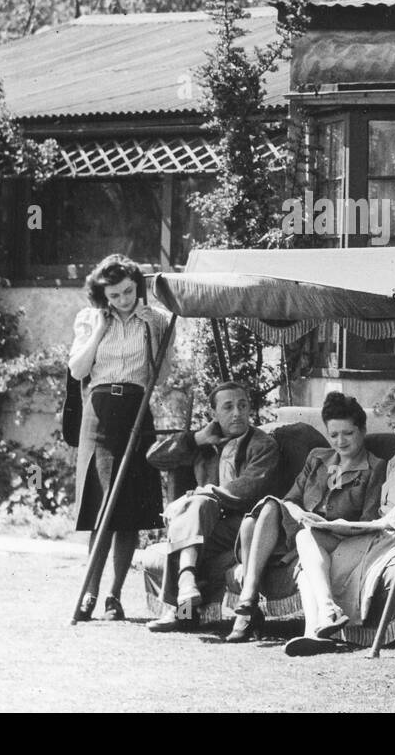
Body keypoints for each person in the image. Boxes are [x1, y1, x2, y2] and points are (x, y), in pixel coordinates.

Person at [285, 387, 395, 656]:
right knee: (304, 537)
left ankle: (315, 627)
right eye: (394, 425)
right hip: (381, 530)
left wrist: (361, 527)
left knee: (310, 559)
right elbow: (384, 508)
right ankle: (322, 619)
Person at [226, 392, 387, 643]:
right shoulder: (317, 457)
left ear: (362, 431)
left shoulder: (375, 467)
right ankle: (248, 599)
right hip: (299, 528)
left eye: (348, 433)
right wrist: (299, 513)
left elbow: (368, 520)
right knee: (267, 508)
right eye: (333, 434)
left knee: (260, 524)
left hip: (337, 536)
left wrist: (332, 525)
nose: (340, 442)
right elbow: (291, 498)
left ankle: (253, 613)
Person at [68, 256, 173, 621]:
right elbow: (78, 369)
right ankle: (89, 593)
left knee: (127, 510)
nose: (124, 299)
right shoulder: (89, 318)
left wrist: (155, 332)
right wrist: (99, 328)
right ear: (103, 294)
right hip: (99, 414)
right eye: (115, 294)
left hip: (136, 409)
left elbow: (163, 373)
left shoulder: (156, 321)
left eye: (129, 291)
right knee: (101, 507)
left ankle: (113, 596)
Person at [147, 381, 281, 633]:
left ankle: (181, 607)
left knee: (193, 511)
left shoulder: (263, 445)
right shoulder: (208, 443)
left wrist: (199, 495)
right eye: (228, 407)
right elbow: (154, 457)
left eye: (243, 406)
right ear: (214, 414)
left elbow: (247, 488)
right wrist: (197, 439)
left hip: (245, 525)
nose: (237, 413)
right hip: (205, 525)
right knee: (192, 522)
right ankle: (186, 599)